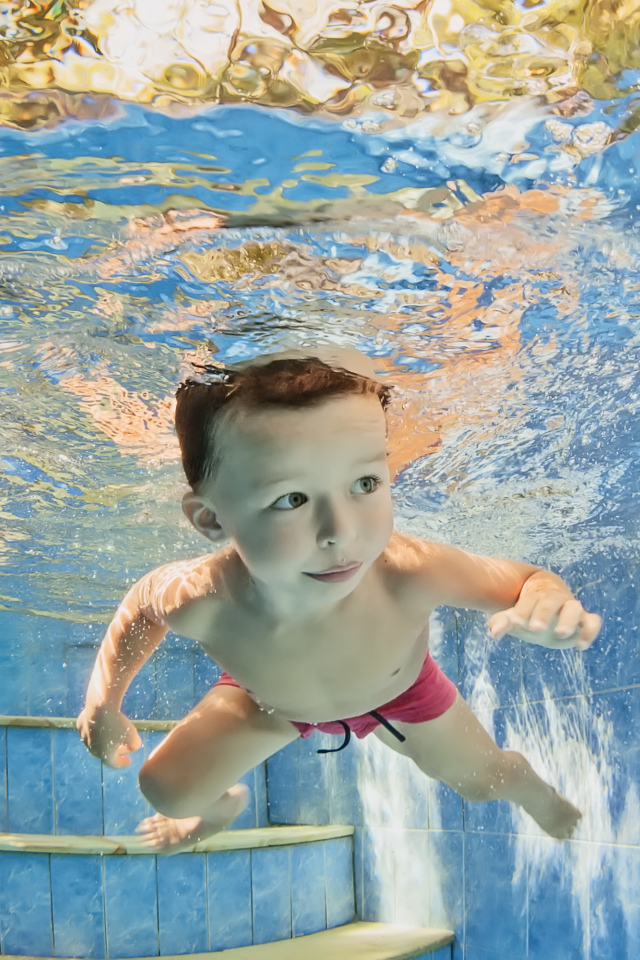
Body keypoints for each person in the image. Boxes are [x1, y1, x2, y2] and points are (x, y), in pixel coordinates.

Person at [77, 348, 602, 853]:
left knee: (483, 782)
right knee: (166, 789)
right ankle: (215, 812)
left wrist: (547, 600)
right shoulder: (206, 598)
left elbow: (528, 579)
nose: (341, 531)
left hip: (402, 693)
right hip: (269, 701)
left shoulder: (408, 570)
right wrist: (102, 704)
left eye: (365, 483)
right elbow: (143, 605)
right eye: (291, 499)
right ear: (212, 520)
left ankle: (533, 789)